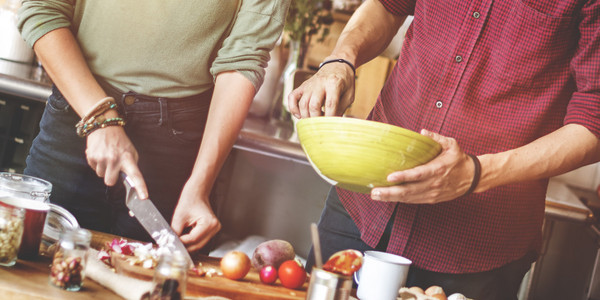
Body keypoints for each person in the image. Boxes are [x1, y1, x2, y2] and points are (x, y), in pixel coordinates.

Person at [288, 0, 600, 299]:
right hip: (363, 202)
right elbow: (387, 5)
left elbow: (594, 120)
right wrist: (342, 58)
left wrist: (477, 174)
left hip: (477, 245)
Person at [17, 0, 290, 253]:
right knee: (28, 265)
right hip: (76, 115)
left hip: (176, 148)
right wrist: (99, 116)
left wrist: (200, 185)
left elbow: (243, 60)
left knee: (150, 282)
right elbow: (42, 8)